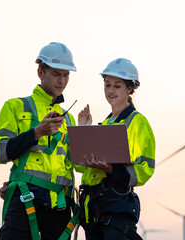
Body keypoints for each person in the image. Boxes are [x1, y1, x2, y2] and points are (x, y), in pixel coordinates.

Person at [0, 42, 78, 240]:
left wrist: (85, 132)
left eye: (66, 75)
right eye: (56, 74)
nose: (61, 81)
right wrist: (36, 133)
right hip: (24, 199)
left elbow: (77, 166)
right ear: (40, 72)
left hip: (59, 206)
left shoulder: (69, 119)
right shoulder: (15, 107)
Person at [76, 58, 155, 240]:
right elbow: (81, 167)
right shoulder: (105, 125)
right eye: (107, 85)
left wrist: (111, 169)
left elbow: (145, 170)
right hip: (94, 208)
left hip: (117, 205)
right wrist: (84, 130)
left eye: (117, 86)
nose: (110, 90)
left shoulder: (137, 123)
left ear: (129, 89)